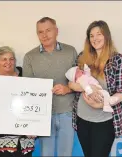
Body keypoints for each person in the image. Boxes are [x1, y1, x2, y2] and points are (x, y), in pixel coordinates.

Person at [69, 20, 122, 157]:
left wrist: (102, 103)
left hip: (104, 121)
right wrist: (88, 88)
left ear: (106, 36)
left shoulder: (118, 60)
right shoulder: (82, 57)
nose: (95, 38)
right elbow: (71, 84)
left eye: (99, 34)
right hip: (82, 119)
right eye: (91, 35)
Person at [22, 17, 77, 156]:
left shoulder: (70, 51)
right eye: (40, 32)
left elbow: (79, 82)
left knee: (66, 154)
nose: (44, 35)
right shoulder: (29, 57)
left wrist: (67, 89)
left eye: (48, 30)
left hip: (67, 112)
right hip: (43, 115)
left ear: (56, 31)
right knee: (46, 154)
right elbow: (27, 90)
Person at [0, 46, 34, 157]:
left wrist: (35, 127)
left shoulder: (25, 77)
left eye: (11, 59)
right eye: (4, 59)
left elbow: (33, 103)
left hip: (23, 140)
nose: (8, 62)